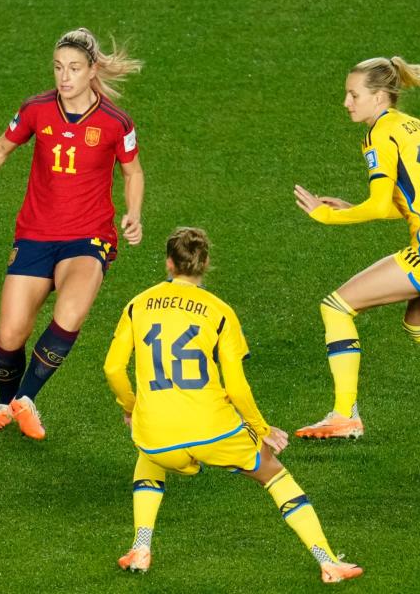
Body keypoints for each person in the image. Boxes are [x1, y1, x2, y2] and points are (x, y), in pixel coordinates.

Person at [103, 227, 362, 584]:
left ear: (168, 263)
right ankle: (328, 560)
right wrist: (261, 428)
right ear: (205, 263)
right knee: (274, 475)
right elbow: (236, 387)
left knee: (149, 456)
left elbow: (113, 368)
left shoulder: (137, 304)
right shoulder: (220, 312)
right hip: (215, 429)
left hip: (157, 436)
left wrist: (132, 409)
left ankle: (140, 547)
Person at [0, 28, 144, 440]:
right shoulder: (36, 109)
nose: (64, 77)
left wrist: (134, 212)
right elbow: (1, 148)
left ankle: (26, 398)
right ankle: (5, 403)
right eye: (58, 68)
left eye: (73, 68)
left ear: (92, 71)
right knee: (10, 332)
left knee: (70, 312)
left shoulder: (115, 122)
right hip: (35, 234)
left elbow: (132, 171)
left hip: (88, 237)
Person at [292, 56, 420, 440]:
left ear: (380, 96)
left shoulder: (379, 134)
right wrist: (352, 208)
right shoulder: (413, 125)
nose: (346, 103)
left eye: (354, 95)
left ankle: (344, 415)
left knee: (336, 306)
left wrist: (326, 216)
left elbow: (376, 205)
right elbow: (411, 199)